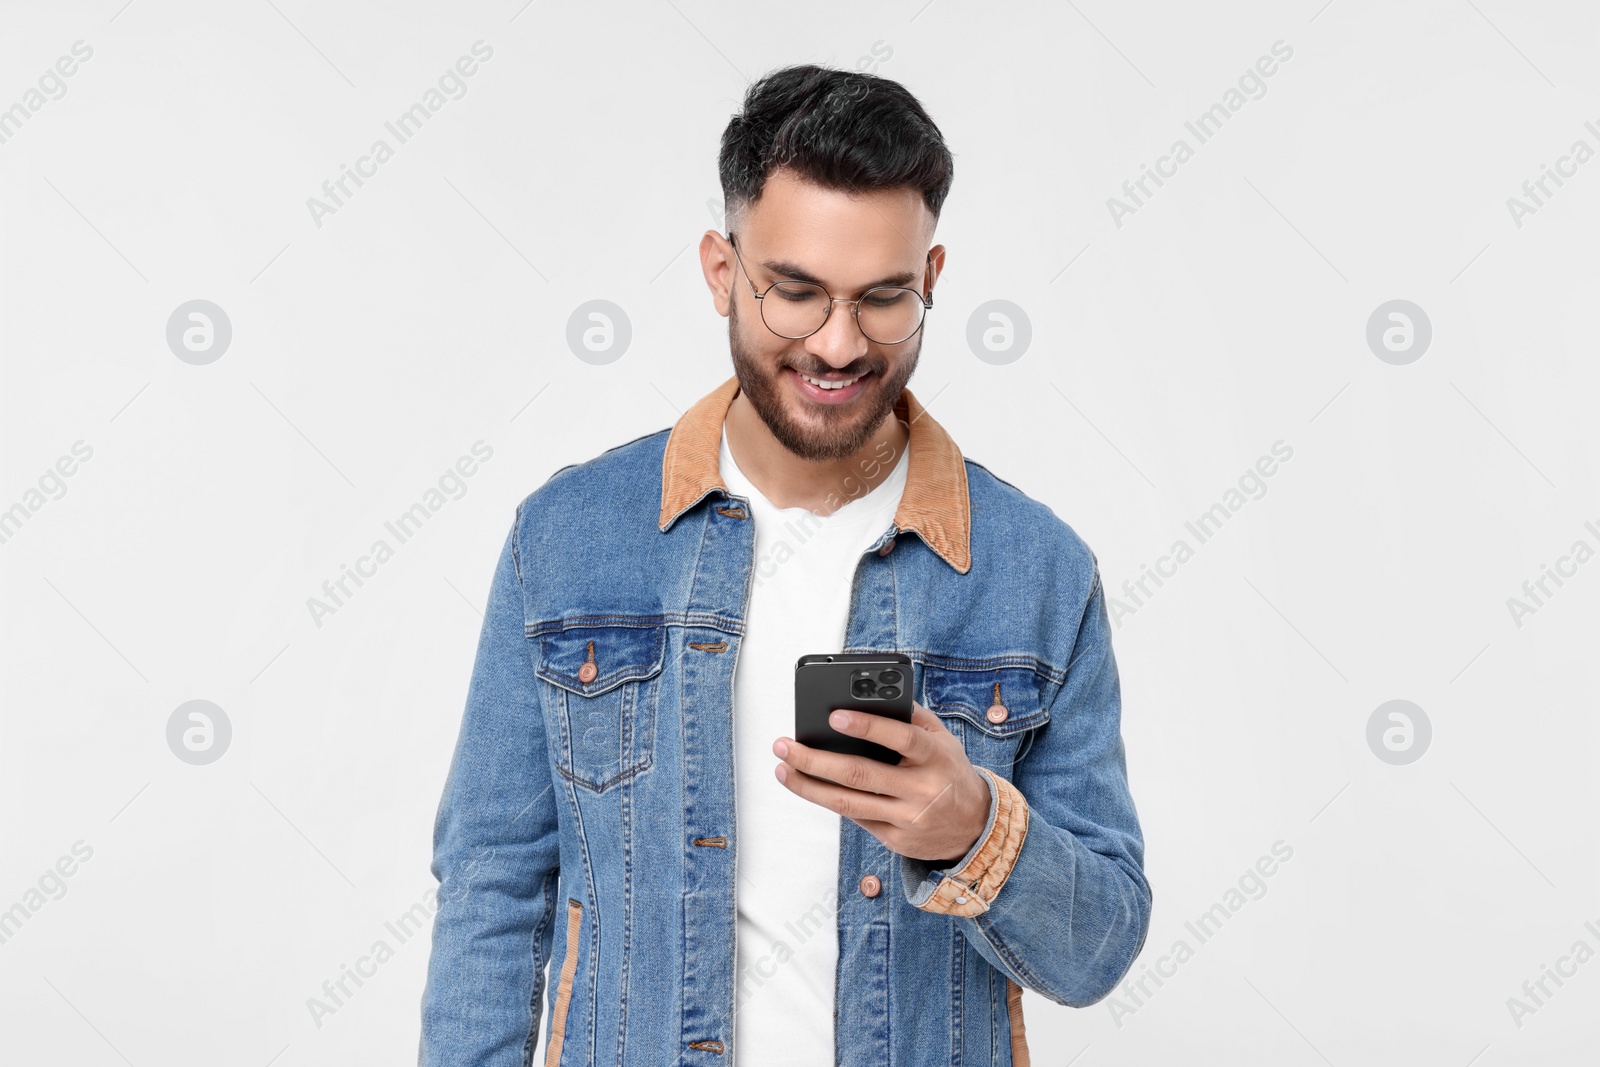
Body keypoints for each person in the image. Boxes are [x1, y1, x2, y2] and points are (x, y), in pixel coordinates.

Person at [419, 63, 1150, 1067]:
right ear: (722, 271)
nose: (839, 344)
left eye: (883, 297)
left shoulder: (1036, 569)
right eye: (797, 292)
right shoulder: (569, 537)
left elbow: (1100, 948)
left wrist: (974, 826)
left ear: (931, 279)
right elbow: (491, 885)